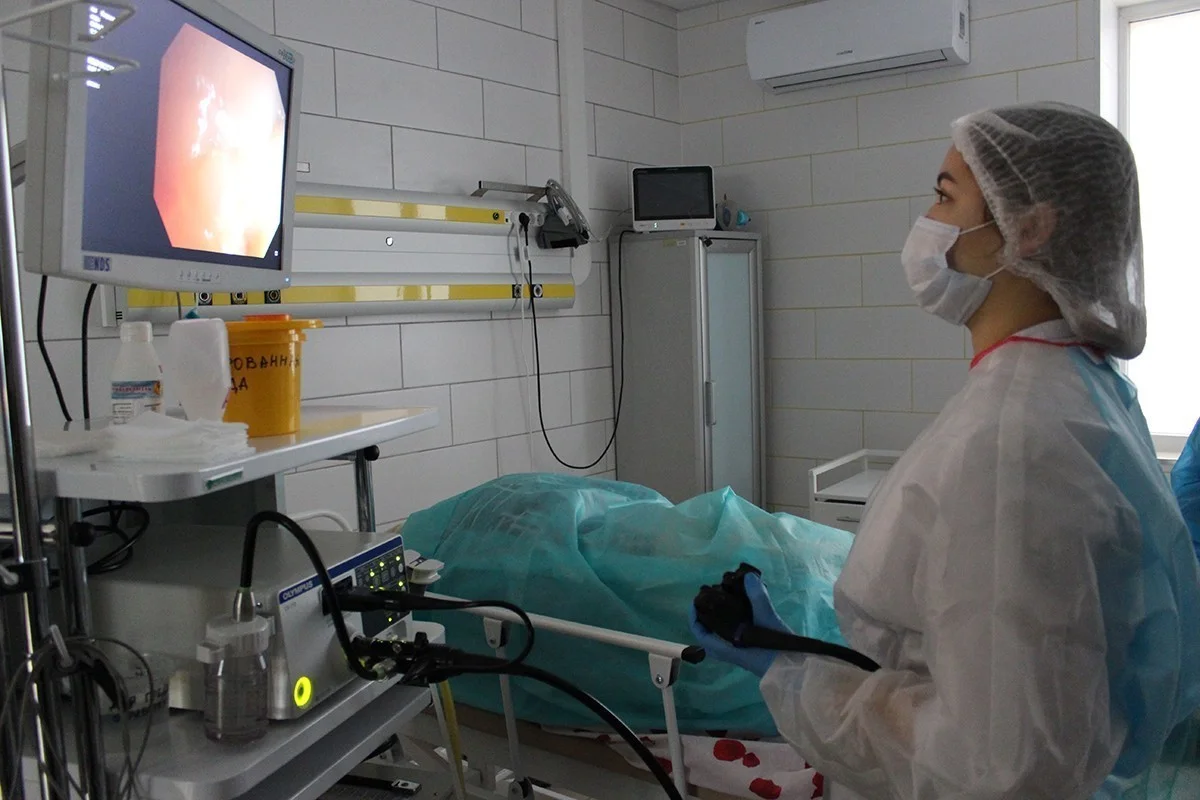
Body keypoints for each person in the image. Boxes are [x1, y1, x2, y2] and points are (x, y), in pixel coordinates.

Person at [691, 102, 1200, 799]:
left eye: (944, 196)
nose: (927, 224)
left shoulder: (1012, 442)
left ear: (1030, 227)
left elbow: (996, 765)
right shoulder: (1083, 386)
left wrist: (794, 677)